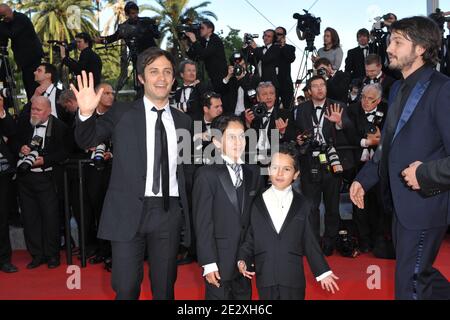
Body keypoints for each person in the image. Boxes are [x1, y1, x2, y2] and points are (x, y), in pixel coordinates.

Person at [73, 47, 192, 300]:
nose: (161, 78)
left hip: (167, 213)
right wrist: (85, 113)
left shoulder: (184, 122)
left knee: (164, 289)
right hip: (126, 211)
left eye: (167, 72)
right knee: (125, 288)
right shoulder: (121, 112)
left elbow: (187, 170)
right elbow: (86, 139)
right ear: (141, 78)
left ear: (173, 78)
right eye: (154, 72)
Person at [350, 16, 450, 300]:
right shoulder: (396, 88)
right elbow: (388, 146)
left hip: (425, 206)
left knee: (410, 284)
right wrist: (363, 179)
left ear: (420, 49)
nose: (389, 48)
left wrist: (425, 174)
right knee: (422, 275)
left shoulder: (443, 89)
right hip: (398, 204)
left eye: (398, 42)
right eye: (390, 40)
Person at [238, 144, 339, 300]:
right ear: (268, 169)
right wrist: (243, 258)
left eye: (286, 169)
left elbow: (309, 242)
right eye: (275, 167)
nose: (279, 173)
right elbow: (251, 237)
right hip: (265, 276)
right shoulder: (257, 202)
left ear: (296, 174)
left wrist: (322, 271)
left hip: (293, 278)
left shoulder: (303, 204)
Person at [193, 115, 263, 300]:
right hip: (218, 261)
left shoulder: (253, 172)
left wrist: (249, 253)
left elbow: (255, 218)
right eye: (231, 137)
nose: (238, 142)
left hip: (244, 260)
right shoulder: (206, 174)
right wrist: (208, 263)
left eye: (242, 136)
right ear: (216, 141)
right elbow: (203, 223)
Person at [286, 75, 355, 256]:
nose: (319, 89)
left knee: (333, 205)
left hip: (333, 161)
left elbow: (350, 128)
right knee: (311, 206)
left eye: (322, 85)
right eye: (315, 86)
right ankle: (313, 242)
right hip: (309, 162)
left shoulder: (338, 106)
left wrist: (338, 122)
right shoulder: (299, 110)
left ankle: (330, 241)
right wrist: (298, 139)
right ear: (309, 91)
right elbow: (292, 133)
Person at [15, 96, 70, 269]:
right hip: (26, 179)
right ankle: (37, 255)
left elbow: (65, 152)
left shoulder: (60, 127)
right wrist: (20, 148)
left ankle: (52, 255)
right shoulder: (25, 123)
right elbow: (14, 140)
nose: (34, 112)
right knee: (30, 218)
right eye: (33, 109)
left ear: (48, 111)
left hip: (47, 178)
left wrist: (45, 160)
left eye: (38, 110)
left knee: (50, 218)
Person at [0, 4, 44, 99]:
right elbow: (3, 40)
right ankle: (31, 106)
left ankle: (38, 105)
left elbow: (12, 33)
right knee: (28, 86)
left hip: (33, 57)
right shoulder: (5, 24)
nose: (4, 18)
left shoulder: (21, 18)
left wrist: (1, 26)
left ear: (9, 11)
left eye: (4, 15)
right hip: (23, 61)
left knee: (34, 85)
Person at [0, 96, 18, 273]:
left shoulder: (2, 114)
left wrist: (1, 111)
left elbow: (12, 131)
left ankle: (4, 259)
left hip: (2, 172)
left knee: (2, 217)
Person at [186, 20, 227, 93]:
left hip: (220, 77)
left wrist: (194, 41)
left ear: (210, 29)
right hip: (212, 77)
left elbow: (203, 54)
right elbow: (195, 57)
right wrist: (186, 45)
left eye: (202, 28)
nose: (200, 30)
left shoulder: (215, 40)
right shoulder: (204, 41)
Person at [275, 27, 296, 109]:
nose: (276, 36)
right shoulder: (270, 48)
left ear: (284, 36)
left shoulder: (290, 48)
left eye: (279, 34)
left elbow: (291, 58)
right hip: (272, 83)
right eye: (275, 33)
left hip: (285, 83)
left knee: (288, 108)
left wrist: (283, 46)